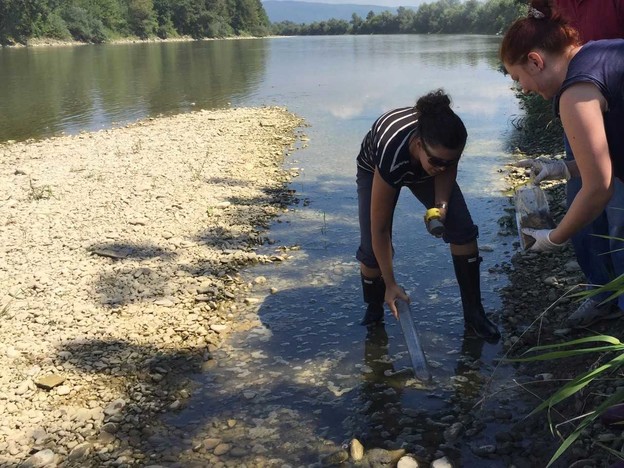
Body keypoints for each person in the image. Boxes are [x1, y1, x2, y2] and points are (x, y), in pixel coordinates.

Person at [500, 1, 624, 320]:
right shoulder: (597, 52)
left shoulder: (575, 91)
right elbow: (611, 154)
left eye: (518, 79)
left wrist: (554, 238)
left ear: (535, 60)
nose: (523, 90)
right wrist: (565, 168)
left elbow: (600, 187)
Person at [355, 89, 500, 342]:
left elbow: (444, 166)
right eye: (438, 160)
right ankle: (375, 308)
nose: (442, 166)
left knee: (462, 228)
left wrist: (441, 206)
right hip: (376, 167)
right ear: (419, 144)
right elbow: (380, 229)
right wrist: (391, 283)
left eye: (450, 161)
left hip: (423, 165)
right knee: (371, 252)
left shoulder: (447, 143)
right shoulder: (393, 153)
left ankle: (474, 314)